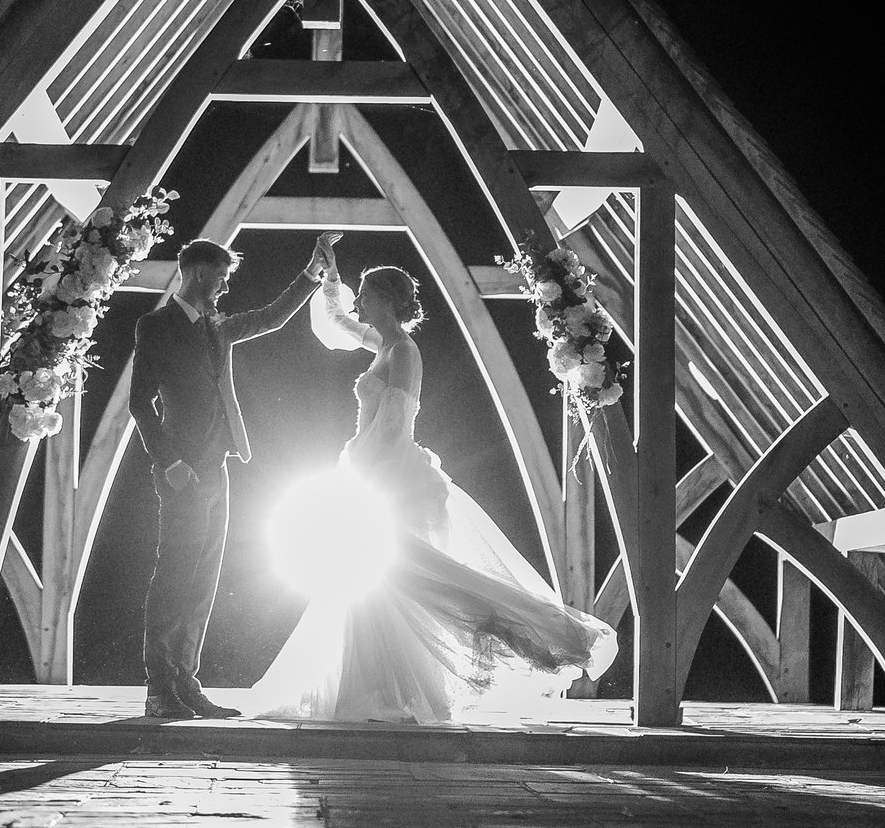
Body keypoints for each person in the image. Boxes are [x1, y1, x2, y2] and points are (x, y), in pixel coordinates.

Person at [249, 265, 617, 723]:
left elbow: (393, 424)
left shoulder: (404, 351)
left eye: (362, 293)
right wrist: (328, 277)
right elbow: (340, 324)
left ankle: (547, 634)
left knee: (411, 576)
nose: (357, 302)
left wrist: (357, 470)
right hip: (371, 470)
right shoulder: (382, 344)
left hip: (391, 478)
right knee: (374, 585)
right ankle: (376, 692)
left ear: (385, 300)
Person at [129, 230, 340, 719]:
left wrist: (311, 274)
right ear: (200, 273)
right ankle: (160, 688)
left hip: (217, 467)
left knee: (203, 580)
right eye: (222, 277)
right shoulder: (156, 326)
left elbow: (272, 317)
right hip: (183, 471)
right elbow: (140, 403)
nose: (225, 286)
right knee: (175, 576)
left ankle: (188, 682)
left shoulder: (216, 327)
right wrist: (172, 465)